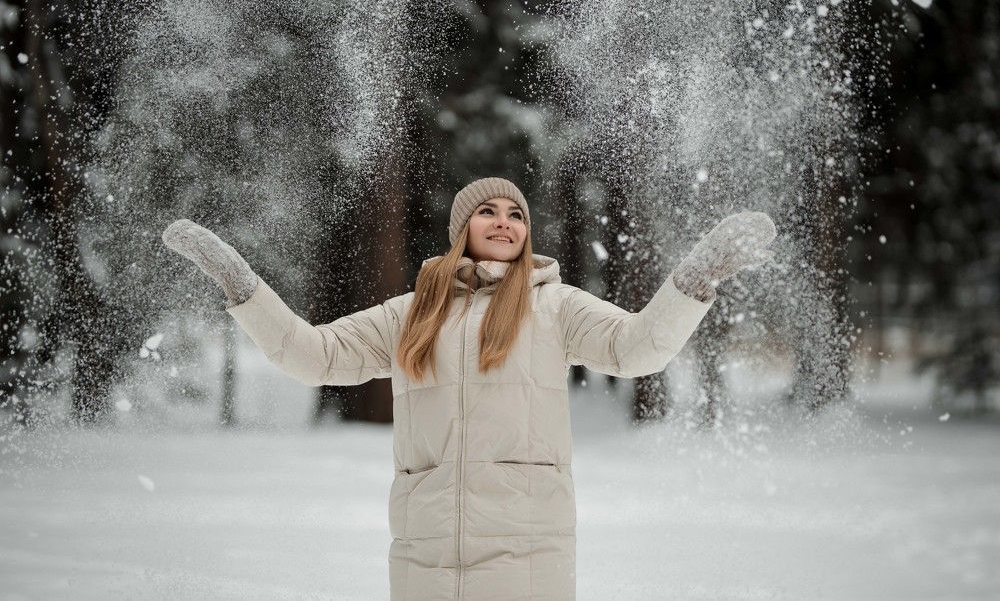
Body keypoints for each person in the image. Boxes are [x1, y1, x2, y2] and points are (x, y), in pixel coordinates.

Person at [162, 176, 776, 600]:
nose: (504, 222)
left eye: (516, 214)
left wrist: (695, 279)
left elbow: (638, 347)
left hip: (525, 551)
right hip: (425, 552)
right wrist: (240, 284)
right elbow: (311, 354)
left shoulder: (556, 306)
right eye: (489, 211)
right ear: (462, 227)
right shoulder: (412, 312)